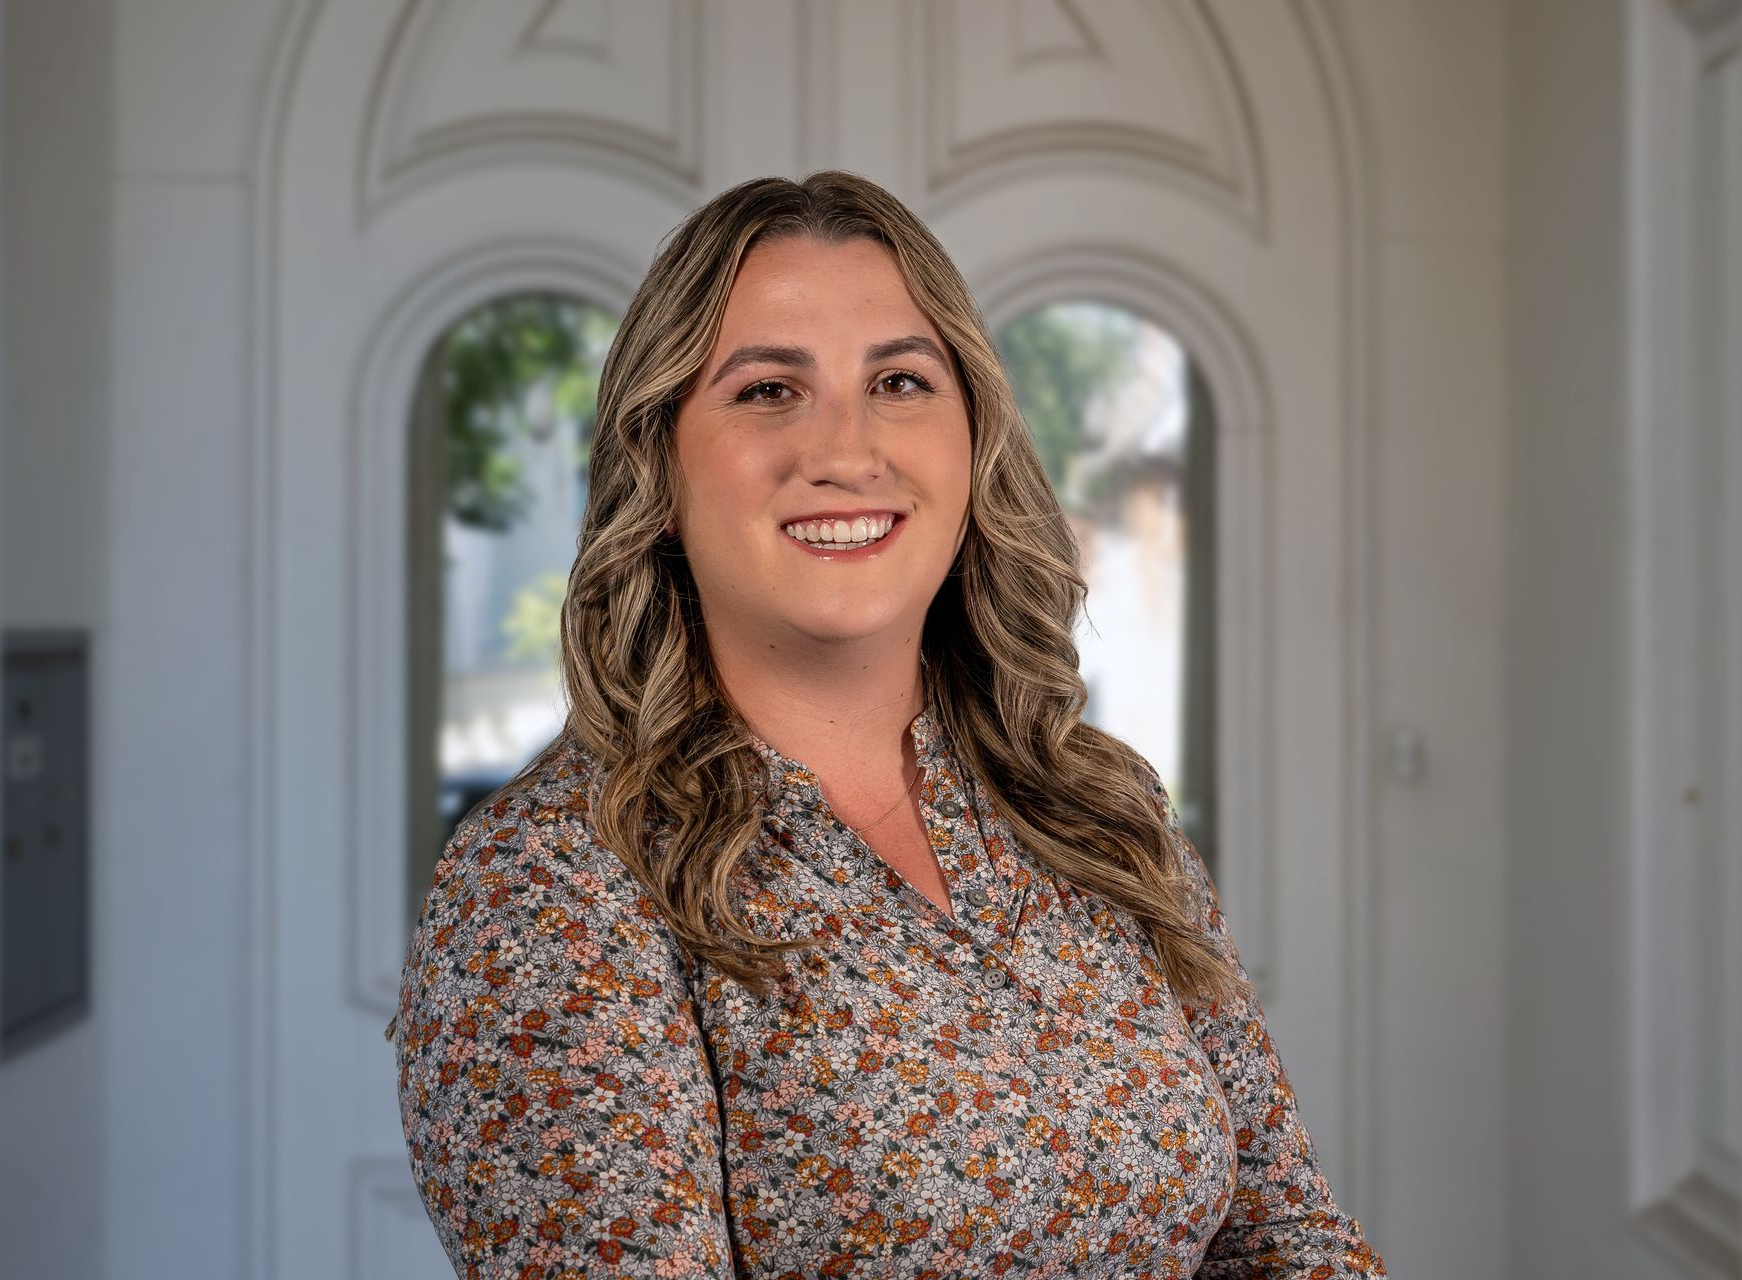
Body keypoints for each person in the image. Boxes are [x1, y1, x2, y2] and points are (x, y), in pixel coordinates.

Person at [390, 170, 1385, 1279]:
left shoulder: (1096, 805)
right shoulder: (551, 882)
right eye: (769, 390)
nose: (848, 449)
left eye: (901, 381)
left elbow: (1288, 1237)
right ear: (660, 460)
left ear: (972, 441)